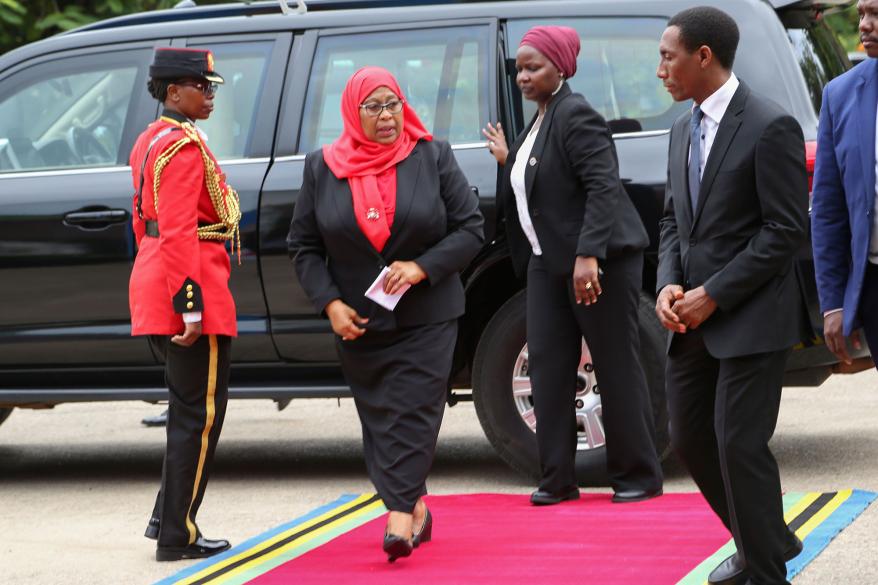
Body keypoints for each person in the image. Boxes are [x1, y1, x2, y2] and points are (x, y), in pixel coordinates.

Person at [287, 66, 483, 562]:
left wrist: (421, 267)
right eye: (373, 107)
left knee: (415, 411)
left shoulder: (432, 156)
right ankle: (417, 507)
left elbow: (470, 229)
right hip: (359, 320)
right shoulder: (321, 167)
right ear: (353, 112)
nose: (386, 116)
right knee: (380, 419)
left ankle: (397, 516)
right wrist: (329, 303)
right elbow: (304, 247)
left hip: (429, 314)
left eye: (392, 103)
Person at [654, 7, 807, 585]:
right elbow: (674, 223)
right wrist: (670, 283)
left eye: (668, 57)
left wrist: (714, 294)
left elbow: (786, 231)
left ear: (703, 57)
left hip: (753, 315)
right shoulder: (679, 128)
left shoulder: (770, 125)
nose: (661, 69)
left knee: (738, 444)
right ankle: (761, 538)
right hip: (690, 318)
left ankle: (764, 570)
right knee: (690, 440)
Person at [482, 25, 663, 507]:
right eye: (519, 68)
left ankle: (638, 476)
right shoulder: (540, 121)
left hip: (596, 263)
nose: (523, 76)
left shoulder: (576, 113)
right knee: (548, 369)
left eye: (533, 66)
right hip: (547, 264)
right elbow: (543, 179)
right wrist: (510, 159)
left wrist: (588, 255)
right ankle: (558, 479)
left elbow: (603, 186)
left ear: (560, 68)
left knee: (615, 364)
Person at [129, 47, 241, 562]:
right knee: (199, 417)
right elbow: (176, 230)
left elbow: (144, 223)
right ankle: (179, 533)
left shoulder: (152, 140)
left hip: (161, 281)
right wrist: (189, 308)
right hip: (189, 288)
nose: (211, 94)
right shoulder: (183, 148)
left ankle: (166, 518)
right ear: (175, 92)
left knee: (186, 412)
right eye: (203, 86)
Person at [812, 0, 878, 370]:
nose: (865, 25)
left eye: (876, 15)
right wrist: (834, 302)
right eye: (862, 15)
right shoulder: (841, 95)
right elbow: (828, 208)